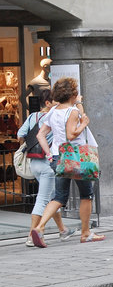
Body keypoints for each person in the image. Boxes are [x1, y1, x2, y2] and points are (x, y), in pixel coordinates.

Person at [30, 77, 104, 246]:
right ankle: (85, 233)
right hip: (78, 157)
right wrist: (83, 124)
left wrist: (49, 155)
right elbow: (71, 134)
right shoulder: (73, 112)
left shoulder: (54, 111)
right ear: (72, 94)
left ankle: (39, 227)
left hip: (58, 156)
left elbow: (40, 135)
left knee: (59, 197)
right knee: (87, 195)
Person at [19, 88, 70, 246]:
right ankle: (31, 235)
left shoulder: (32, 117)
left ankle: (63, 230)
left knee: (53, 197)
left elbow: (20, 135)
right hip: (48, 163)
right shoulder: (54, 116)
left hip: (34, 163)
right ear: (48, 102)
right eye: (55, 100)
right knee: (43, 199)